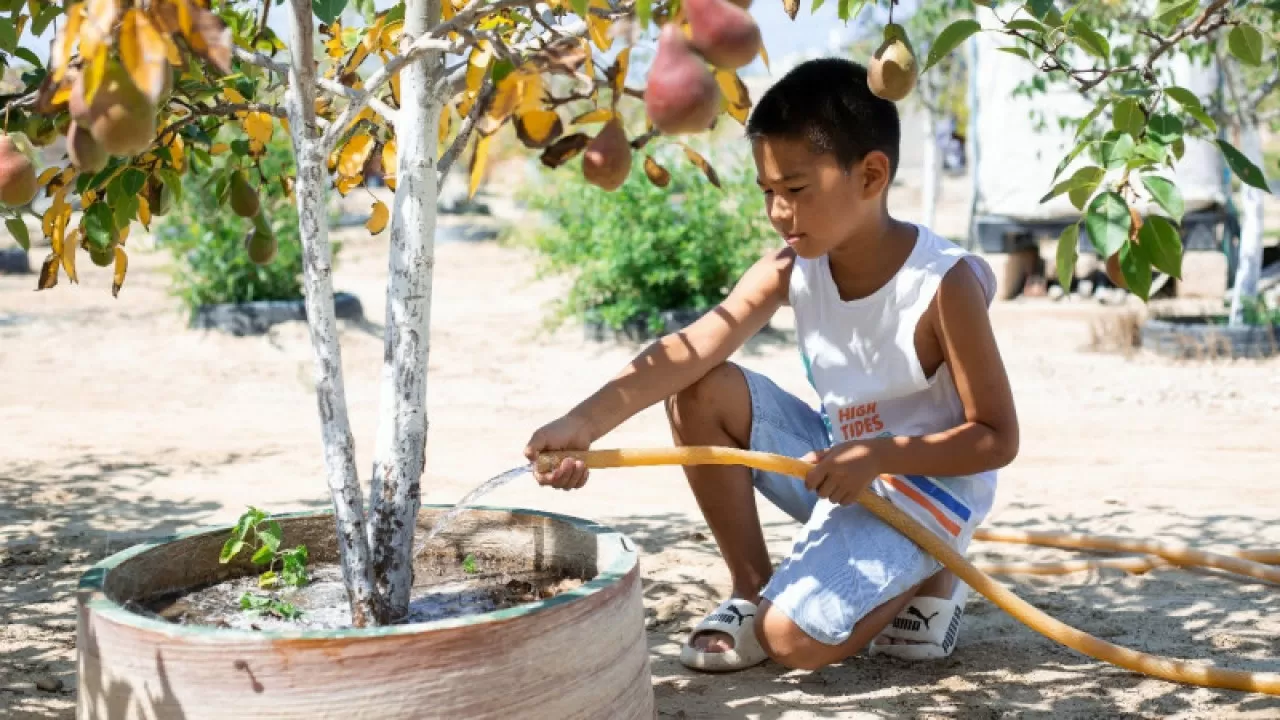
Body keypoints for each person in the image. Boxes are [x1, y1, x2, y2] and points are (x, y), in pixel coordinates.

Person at [522, 57, 1019, 673]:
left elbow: (996, 438)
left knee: (790, 642)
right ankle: (749, 586)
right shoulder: (791, 268)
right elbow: (689, 349)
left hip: (928, 487)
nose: (779, 213)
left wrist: (883, 456)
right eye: (768, 193)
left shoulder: (943, 285)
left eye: (796, 191)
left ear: (870, 175)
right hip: (839, 468)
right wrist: (583, 424)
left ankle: (932, 574)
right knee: (700, 391)